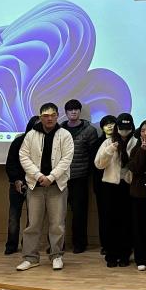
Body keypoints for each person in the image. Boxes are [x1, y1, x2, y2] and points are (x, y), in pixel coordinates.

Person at [16, 102, 75, 272]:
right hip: (35, 186)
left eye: (53, 115)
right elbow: (24, 156)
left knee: (57, 224)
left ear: (57, 116)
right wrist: (38, 175)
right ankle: (30, 258)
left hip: (57, 186)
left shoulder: (65, 135)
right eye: (45, 116)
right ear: (40, 117)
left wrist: (51, 177)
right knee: (33, 224)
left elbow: (67, 159)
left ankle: (56, 256)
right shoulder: (31, 135)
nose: (49, 119)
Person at [94, 113, 137, 267]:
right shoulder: (108, 142)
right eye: (121, 128)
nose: (124, 131)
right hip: (110, 186)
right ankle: (111, 254)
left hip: (128, 186)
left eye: (127, 128)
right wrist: (110, 150)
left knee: (127, 221)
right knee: (110, 221)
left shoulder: (136, 142)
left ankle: (125, 254)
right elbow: (98, 164)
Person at [60, 98, 99, 254]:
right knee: (58, 213)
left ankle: (79, 244)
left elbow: (93, 155)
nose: (73, 112)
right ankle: (58, 244)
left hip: (80, 177)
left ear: (80, 111)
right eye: (70, 110)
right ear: (66, 112)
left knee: (79, 213)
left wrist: (88, 173)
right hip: (60, 177)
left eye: (76, 109)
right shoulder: (59, 129)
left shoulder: (89, 130)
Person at [4, 116, 37, 255]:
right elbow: (10, 163)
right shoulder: (19, 141)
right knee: (13, 216)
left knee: (32, 218)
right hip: (16, 184)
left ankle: (27, 245)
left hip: (35, 184)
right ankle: (11, 245)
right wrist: (16, 180)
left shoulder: (44, 142)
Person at [128, 119, 146, 271]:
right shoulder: (136, 148)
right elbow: (134, 168)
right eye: (143, 131)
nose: (145, 133)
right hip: (138, 193)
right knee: (138, 227)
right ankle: (140, 259)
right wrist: (142, 150)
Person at [92, 115, 116, 256]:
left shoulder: (122, 141)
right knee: (104, 215)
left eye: (112, 123)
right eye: (106, 124)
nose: (110, 126)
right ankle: (105, 244)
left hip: (118, 185)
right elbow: (95, 166)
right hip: (101, 185)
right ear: (102, 127)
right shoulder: (97, 143)